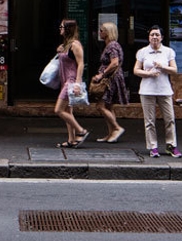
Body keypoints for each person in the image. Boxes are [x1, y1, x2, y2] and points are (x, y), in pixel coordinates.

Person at [134, 26, 181, 157]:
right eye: (152, 35)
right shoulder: (143, 52)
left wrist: (163, 67)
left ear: (162, 37)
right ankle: (153, 147)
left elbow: (175, 70)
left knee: (169, 118)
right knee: (149, 120)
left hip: (164, 90)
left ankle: (171, 145)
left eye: (157, 35)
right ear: (148, 37)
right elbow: (136, 70)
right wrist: (148, 73)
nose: (154, 37)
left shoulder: (168, 51)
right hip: (147, 90)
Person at [54, 18, 89, 148]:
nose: (60, 28)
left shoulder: (75, 45)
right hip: (65, 80)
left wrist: (77, 84)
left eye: (62, 27)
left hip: (71, 80)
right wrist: (60, 51)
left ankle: (81, 131)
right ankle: (71, 140)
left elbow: (80, 64)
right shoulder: (66, 45)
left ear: (68, 29)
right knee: (68, 111)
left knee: (58, 110)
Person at [92, 21, 129, 143]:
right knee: (109, 106)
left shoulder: (112, 46)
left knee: (100, 106)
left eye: (102, 30)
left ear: (108, 32)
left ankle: (117, 128)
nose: (100, 32)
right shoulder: (111, 45)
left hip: (110, 79)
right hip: (112, 78)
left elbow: (115, 62)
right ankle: (111, 134)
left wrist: (102, 74)